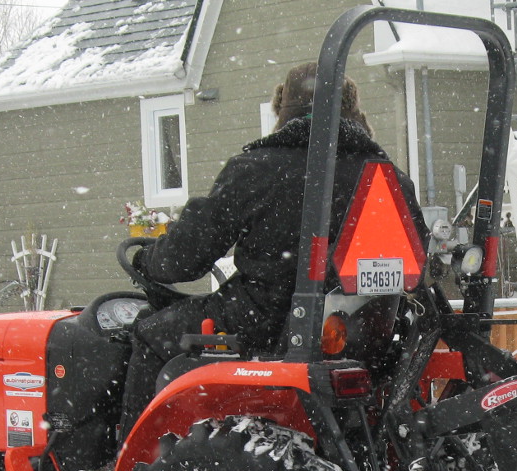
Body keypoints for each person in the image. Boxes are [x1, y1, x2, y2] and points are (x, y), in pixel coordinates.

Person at [119, 62, 429, 438]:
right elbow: (415, 257)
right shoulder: (387, 176)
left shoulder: (257, 169)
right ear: (353, 112)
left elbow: (183, 259)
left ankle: (131, 460)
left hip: (265, 320)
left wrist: (149, 261)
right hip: (362, 332)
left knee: (150, 335)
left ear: (282, 111)